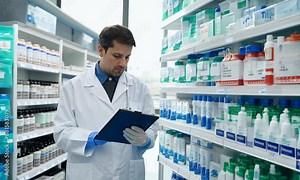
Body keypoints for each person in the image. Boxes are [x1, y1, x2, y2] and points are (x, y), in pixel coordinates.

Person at [53, 24, 159, 180]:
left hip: (127, 171)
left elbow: (152, 127)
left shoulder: (139, 88)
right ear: (101, 50)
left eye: (127, 57)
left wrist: (145, 139)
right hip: (89, 172)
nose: (123, 63)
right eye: (117, 56)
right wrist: (90, 138)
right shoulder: (73, 87)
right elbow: (61, 132)